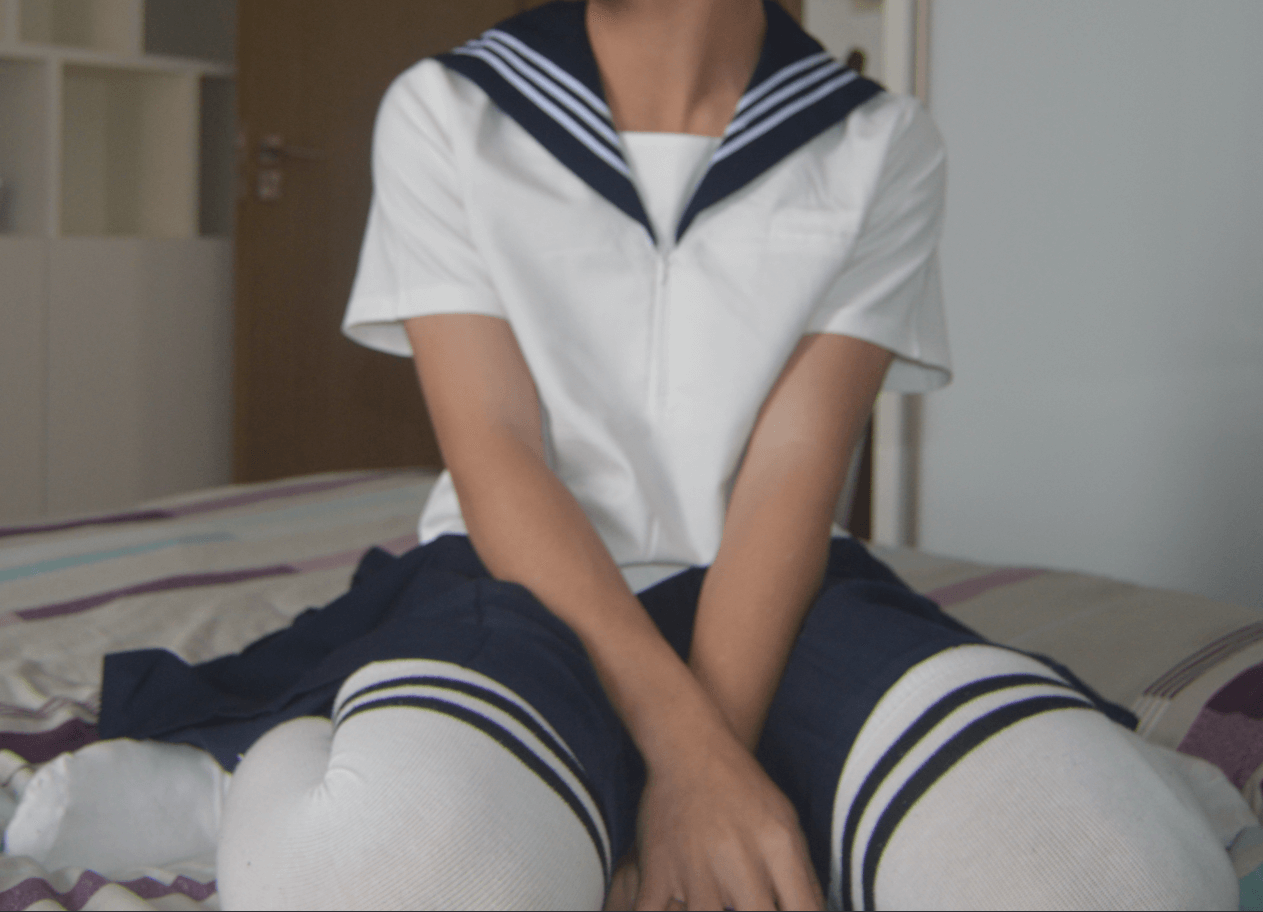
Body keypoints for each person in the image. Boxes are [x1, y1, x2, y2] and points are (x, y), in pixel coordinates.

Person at [90, 1, 1240, 908]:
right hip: (518, 577)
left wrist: (704, 774)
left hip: (774, 590)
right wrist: (686, 759)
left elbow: (793, 471)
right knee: (398, 879)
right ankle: (258, 776)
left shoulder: (880, 140)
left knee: (1125, 876)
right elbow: (499, 450)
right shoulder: (447, 107)